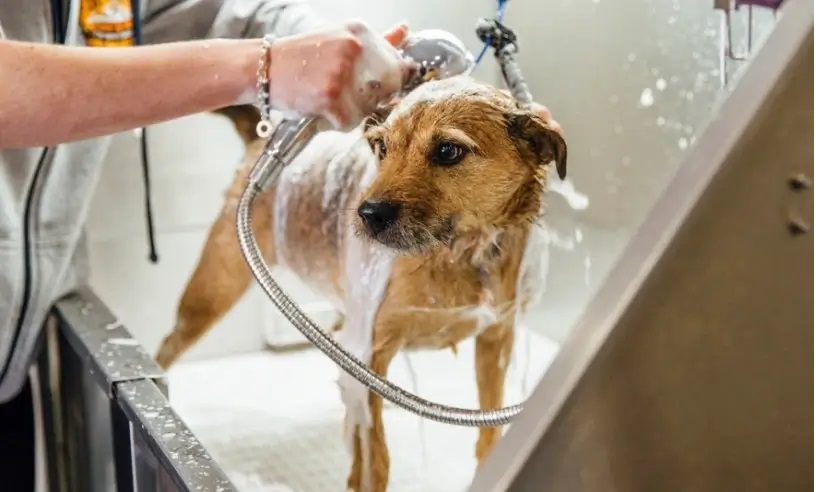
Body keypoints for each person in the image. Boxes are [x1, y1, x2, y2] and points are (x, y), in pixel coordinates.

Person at [0, 1, 561, 491]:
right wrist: (263, 68)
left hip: (14, 355)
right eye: (383, 149)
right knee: (198, 314)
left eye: (447, 153)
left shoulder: (517, 240)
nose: (377, 194)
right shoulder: (388, 236)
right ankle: (168, 364)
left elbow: (229, 11)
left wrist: (348, 52)